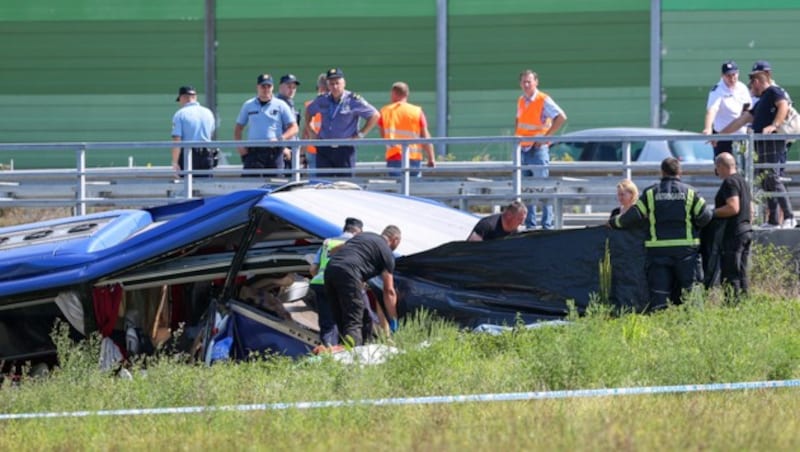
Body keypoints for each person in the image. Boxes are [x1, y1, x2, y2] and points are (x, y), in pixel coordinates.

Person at [609, 157, 713, 309]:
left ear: (662, 172)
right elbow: (706, 216)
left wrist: (613, 222)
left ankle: (660, 321)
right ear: (680, 172)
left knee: (659, 293)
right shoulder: (690, 192)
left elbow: (633, 216)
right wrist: (695, 226)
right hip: (686, 252)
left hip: (658, 252)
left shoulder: (651, 193)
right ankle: (696, 322)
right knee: (692, 291)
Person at [720, 68, 796, 228]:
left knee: (772, 177)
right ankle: (774, 220)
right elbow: (743, 119)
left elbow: (783, 106)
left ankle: (789, 216)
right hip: (761, 143)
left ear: (757, 82)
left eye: (752, 84)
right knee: (765, 180)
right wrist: (720, 135)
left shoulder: (774, 92)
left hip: (772, 142)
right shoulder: (762, 101)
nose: (750, 88)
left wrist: (773, 125)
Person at [324, 225, 401, 346]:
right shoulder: (387, 254)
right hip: (349, 274)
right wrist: (394, 320)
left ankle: (343, 350)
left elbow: (335, 250)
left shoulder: (364, 236)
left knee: (350, 320)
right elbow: (389, 290)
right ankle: (353, 355)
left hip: (330, 271)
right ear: (395, 240)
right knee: (354, 322)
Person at [515, 70, 567, 230]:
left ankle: (547, 225)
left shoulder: (543, 99)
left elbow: (561, 117)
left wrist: (544, 138)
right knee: (527, 189)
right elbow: (519, 122)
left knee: (543, 188)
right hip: (523, 149)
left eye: (529, 81)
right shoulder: (521, 100)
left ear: (536, 82)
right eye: (523, 82)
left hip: (537, 150)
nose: (526, 85)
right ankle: (530, 225)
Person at [304, 68, 380, 177]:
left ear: (344, 83)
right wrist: (311, 131)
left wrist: (360, 135)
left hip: (345, 148)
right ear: (327, 85)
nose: (335, 87)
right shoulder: (322, 100)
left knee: (345, 185)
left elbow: (374, 115)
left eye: (337, 83)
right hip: (324, 148)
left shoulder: (353, 100)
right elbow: (308, 111)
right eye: (331, 84)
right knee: (323, 185)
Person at [308, 217, 363, 345]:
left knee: (327, 323)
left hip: (320, 284)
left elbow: (313, 268)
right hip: (342, 286)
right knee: (347, 322)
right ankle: (343, 351)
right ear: (358, 232)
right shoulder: (355, 244)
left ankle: (327, 351)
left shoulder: (328, 242)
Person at [233, 73, 298, 176]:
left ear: (273, 88)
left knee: (275, 184)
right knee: (250, 184)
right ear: (257, 87)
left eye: (269, 86)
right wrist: (240, 146)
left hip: (274, 151)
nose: (266, 89)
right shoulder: (248, 105)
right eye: (263, 86)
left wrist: (281, 139)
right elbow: (238, 128)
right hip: (254, 152)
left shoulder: (280, 105)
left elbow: (294, 128)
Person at [710, 152, 753, 298]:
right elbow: (750, 209)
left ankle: (732, 304)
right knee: (741, 271)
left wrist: (712, 213)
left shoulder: (729, 182)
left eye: (717, 167)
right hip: (746, 230)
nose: (716, 171)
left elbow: (733, 207)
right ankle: (744, 302)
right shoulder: (742, 181)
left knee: (730, 271)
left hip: (734, 233)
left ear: (721, 166)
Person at [378, 82, 435, 177]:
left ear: (393, 93)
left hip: (394, 157)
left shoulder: (385, 111)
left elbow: (383, 135)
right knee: (414, 189)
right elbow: (425, 137)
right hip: (414, 158)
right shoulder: (417, 111)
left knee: (396, 189)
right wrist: (431, 158)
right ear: (407, 94)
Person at [702, 60, 751, 156]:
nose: (732, 78)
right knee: (723, 165)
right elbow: (712, 109)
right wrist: (708, 128)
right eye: (728, 75)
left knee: (744, 168)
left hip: (741, 136)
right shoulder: (718, 90)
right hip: (723, 137)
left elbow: (747, 108)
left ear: (738, 73)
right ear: (722, 75)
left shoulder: (742, 88)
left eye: (734, 74)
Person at [171, 85, 216, 178]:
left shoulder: (180, 114)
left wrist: (175, 163)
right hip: (207, 155)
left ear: (182, 98)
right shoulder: (208, 113)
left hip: (188, 156)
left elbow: (177, 140)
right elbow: (210, 134)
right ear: (195, 97)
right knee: (206, 189)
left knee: (187, 188)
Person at [302, 73, 328, 176]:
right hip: (316, 151)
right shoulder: (312, 106)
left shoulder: (311, 106)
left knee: (315, 185)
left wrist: (302, 153)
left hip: (315, 150)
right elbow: (305, 131)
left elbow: (305, 131)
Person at [277, 74, 302, 169]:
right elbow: (272, 129)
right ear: (280, 87)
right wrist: (282, 148)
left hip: (292, 149)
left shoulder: (290, 104)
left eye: (294, 87)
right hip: (282, 150)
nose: (292, 90)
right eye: (289, 86)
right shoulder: (276, 104)